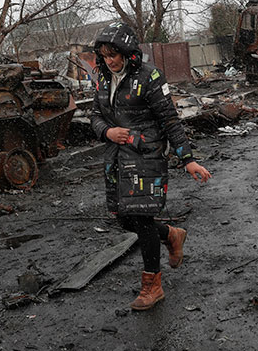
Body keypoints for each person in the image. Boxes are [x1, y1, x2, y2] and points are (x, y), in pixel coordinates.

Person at [89, 22, 212, 311]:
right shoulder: (103, 80)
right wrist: (107, 132)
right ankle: (170, 234)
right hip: (117, 158)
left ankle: (152, 285)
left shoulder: (149, 77)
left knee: (141, 219)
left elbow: (170, 120)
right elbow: (95, 116)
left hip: (146, 156)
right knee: (123, 218)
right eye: (105, 55)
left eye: (115, 54)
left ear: (128, 52)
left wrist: (187, 159)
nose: (111, 61)